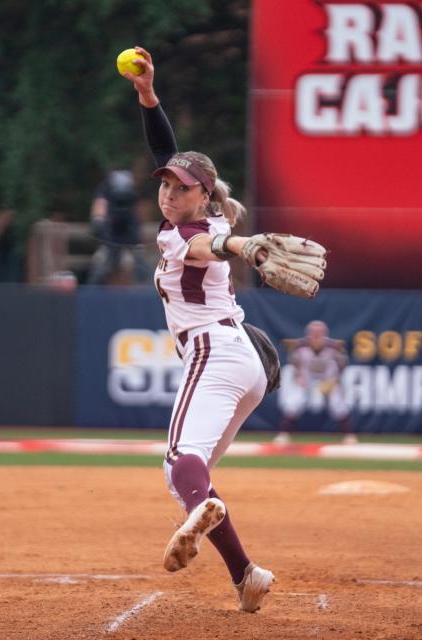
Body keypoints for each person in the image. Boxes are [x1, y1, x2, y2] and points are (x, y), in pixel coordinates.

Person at [121, 46, 278, 613]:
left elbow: (201, 247)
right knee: (193, 477)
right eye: (165, 185)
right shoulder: (188, 211)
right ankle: (247, 577)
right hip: (242, 358)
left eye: (182, 188)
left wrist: (239, 245)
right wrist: (148, 96)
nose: (169, 192)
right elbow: (167, 152)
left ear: (204, 196)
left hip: (213, 351)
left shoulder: (186, 232)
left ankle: (216, 530)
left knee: (176, 462)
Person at [274, 320, 355, 445]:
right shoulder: (300, 346)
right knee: (294, 402)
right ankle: (283, 434)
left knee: (338, 404)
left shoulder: (334, 347)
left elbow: (342, 364)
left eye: (319, 332)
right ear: (308, 333)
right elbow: (295, 363)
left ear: (325, 333)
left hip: (328, 379)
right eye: (313, 332)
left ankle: (349, 435)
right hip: (308, 378)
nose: (316, 335)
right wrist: (299, 376)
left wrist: (335, 380)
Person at [86, 169, 148, 284]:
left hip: (128, 237)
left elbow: (138, 215)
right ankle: (92, 296)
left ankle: (148, 296)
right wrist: (99, 222)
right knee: (101, 264)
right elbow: (99, 211)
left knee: (140, 265)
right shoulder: (105, 190)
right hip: (111, 237)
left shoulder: (131, 194)